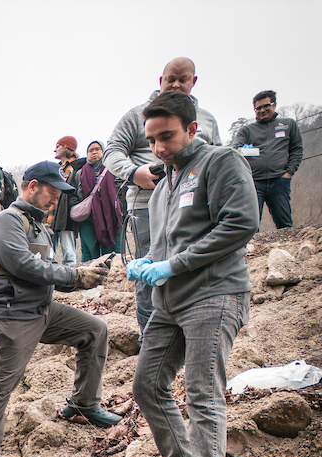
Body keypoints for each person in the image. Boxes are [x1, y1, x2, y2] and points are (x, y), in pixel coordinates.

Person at [127, 91, 258, 457]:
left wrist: (173, 264)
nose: (159, 147)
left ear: (192, 128)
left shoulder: (220, 163)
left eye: (167, 137)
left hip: (214, 294)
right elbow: (170, 240)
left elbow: (240, 223)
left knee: (203, 392)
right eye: (152, 140)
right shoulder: (164, 182)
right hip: (170, 301)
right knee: (147, 384)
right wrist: (149, 259)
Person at [0, 161, 119, 457]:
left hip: (41, 310)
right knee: (1, 384)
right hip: (10, 315)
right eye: (52, 192)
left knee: (94, 330)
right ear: (33, 186)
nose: (55, 199)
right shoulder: (8, 220)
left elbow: (49, 269)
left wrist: (86, 271)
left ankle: (83, 405)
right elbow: (24, 266)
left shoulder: (37, 224)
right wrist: (75, 277)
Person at [104, 57, 221, 333]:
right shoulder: (137, 115)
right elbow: (112, 151)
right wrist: (134, 173)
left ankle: (190, 328)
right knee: (149, 271)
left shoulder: (205, 120)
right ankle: (151, 336)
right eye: (171, 79)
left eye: (183, 79)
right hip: (147, 205)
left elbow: (216, 158)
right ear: (161, 81)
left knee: (191, 265)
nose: (176, 84)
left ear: (193, 82)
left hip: (194, 208)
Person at [230, 90, 304, 230]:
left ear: (274, 105)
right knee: (250, 224)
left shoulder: (288, 124)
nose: (262, 110)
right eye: (258, 108)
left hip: (279, 181)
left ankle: (286, 250)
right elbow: (235, 151)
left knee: (284, 225)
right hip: (253, 182)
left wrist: (288, 173)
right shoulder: (246, 130)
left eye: (266, 106)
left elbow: (297, 149)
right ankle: (252, 251)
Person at [76, 141, 125, 261]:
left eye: (97, 149)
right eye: (90, 150)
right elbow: (73, 195)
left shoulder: (114, 170)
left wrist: (121, 209)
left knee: (114, 252)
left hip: (112, 216)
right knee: (89, 251)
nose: (94, 152)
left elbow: (123, 191)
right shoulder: (80, 173)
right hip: (89, 218)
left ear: (103, 151)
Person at [49, 136, 85, 265]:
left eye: (58, 146)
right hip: (51, 217)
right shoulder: (56, 168)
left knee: (69, 255)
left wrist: (71, 208)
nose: (55, 150)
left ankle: (69, 282)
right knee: (48, 255)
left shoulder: (78, 167)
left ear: (67, 147)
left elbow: (78, 192)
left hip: (67, 218)